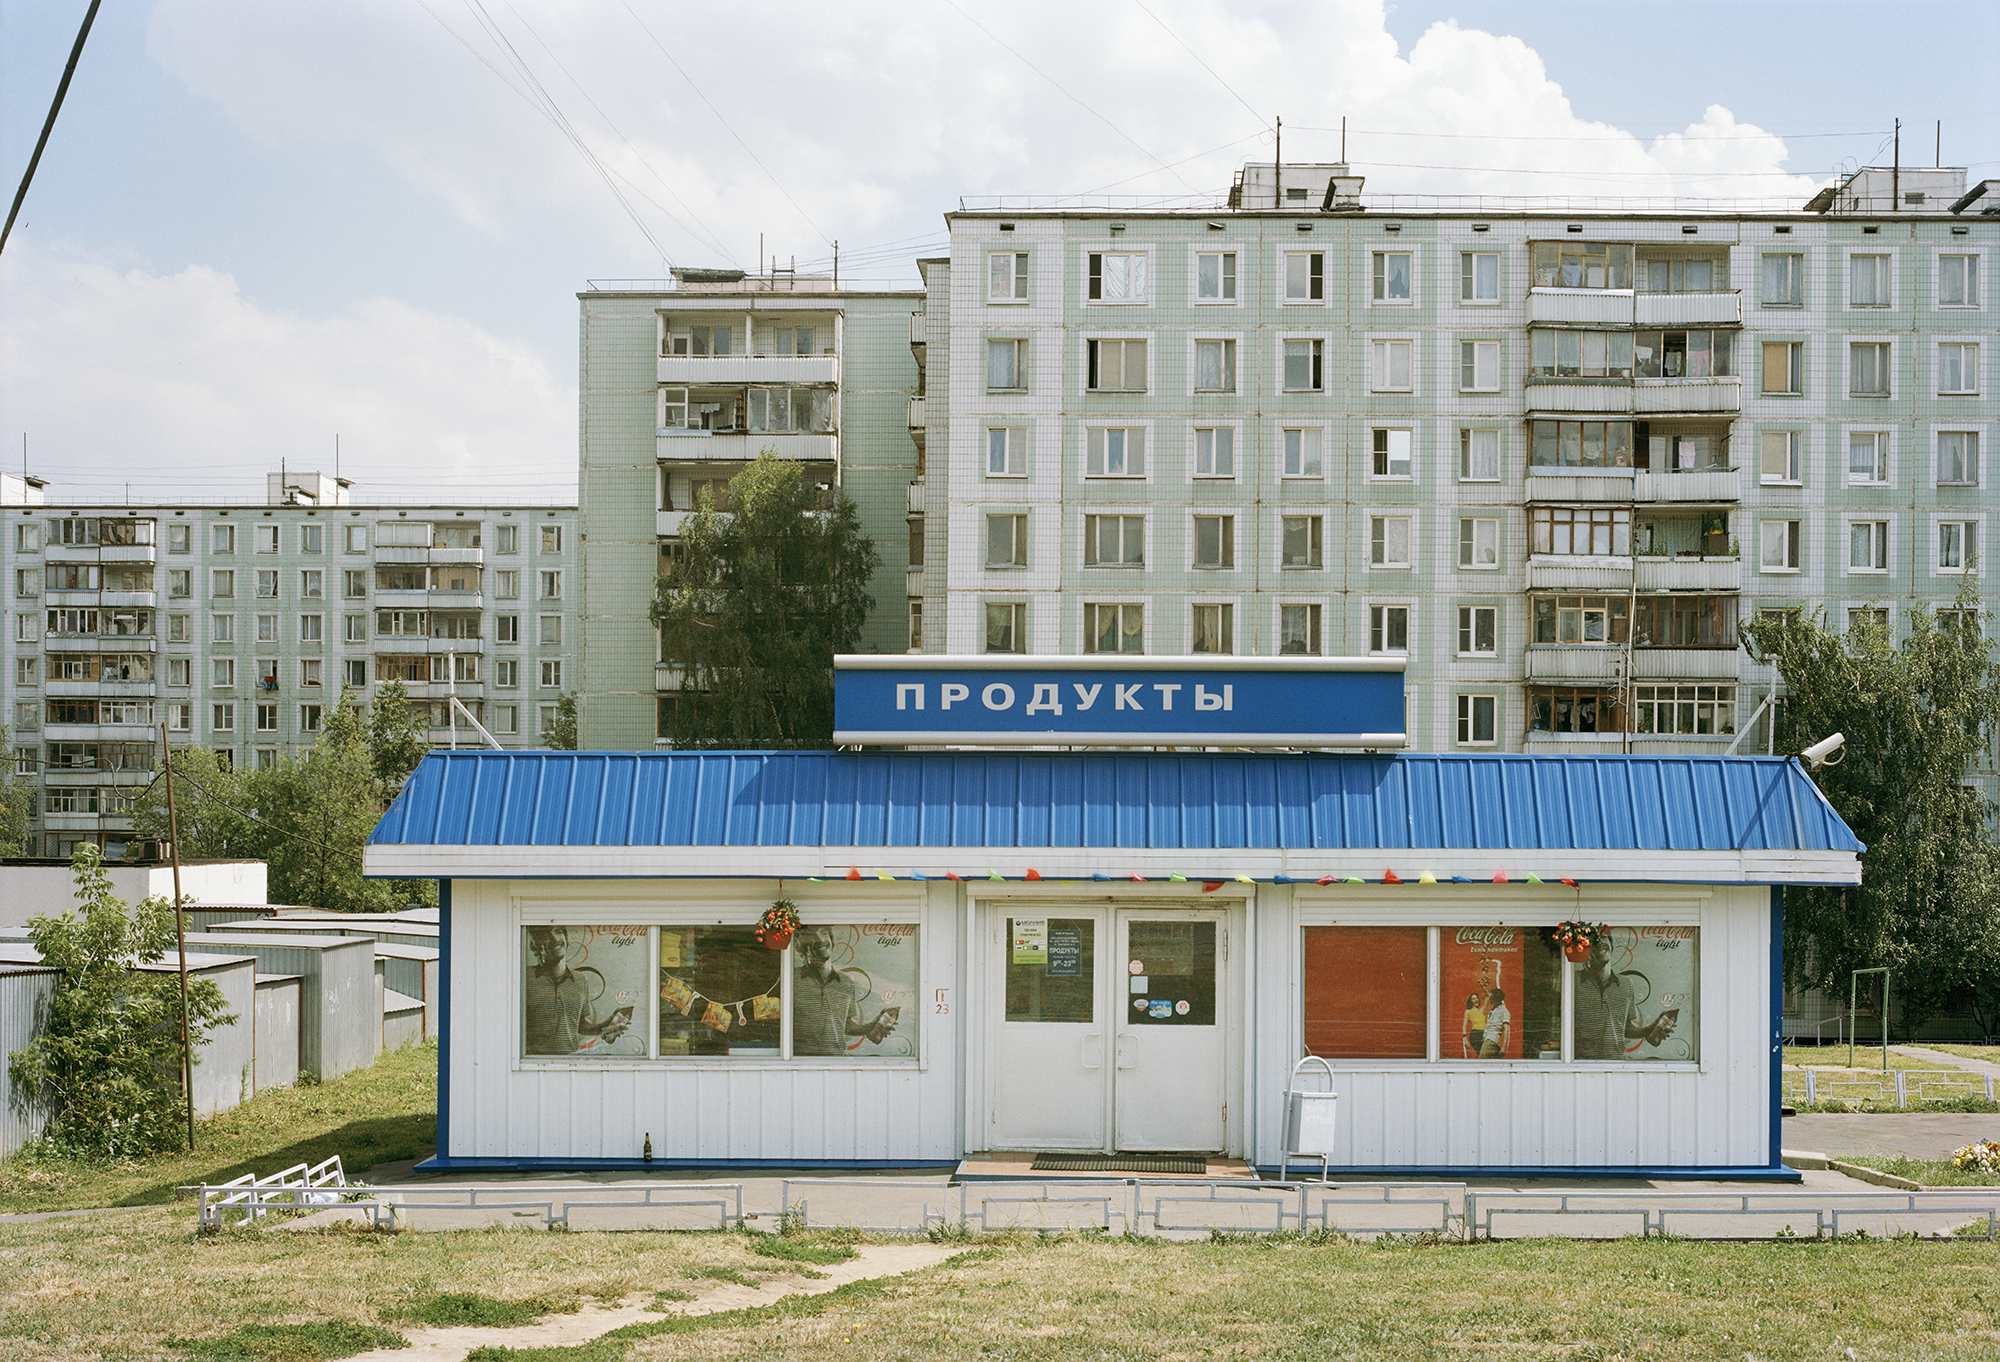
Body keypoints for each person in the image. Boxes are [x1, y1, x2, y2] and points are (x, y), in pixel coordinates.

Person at [523, 926, 631, 1055]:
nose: (555, 938)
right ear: (536, 944)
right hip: (535, 1061)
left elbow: (579, 1026)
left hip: (571, 1058)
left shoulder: (580, 980)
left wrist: (603, 1026)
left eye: (558, 931)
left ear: (566, 939)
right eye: (546, 935)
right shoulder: (525, 977)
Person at [792, 926, 898, 1056]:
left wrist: (872, 1025)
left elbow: (846, 1026)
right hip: (801, 1061)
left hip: (837, 1059)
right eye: (812, 936)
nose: (821, 939)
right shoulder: (791, 979)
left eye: (824, 933)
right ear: (802, 947)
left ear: (832, 941)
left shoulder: (846, 981)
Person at [1574, 933, 1676, 1060]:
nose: (1599, 942)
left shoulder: (1626, 984)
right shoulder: (1573, 982)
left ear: (1612, 944)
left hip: (1616, 1063)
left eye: (1604, 936)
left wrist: (1649, 1030)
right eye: (1592, 938)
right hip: (1581, 1064)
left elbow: (1625, 1028)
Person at [1478, 988, 1511, 1058]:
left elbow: (1506, 1029)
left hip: (1491, 1039)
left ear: (1496, 999)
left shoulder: (1504, 1011)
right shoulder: (1493, 1010)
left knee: (1482, 1060)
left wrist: (1504, 1047)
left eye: (1491, 998)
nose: (1490, 999)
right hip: (1486, 1038)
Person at [1460, 992, 1485, 1059]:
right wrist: (1465, 1039)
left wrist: (1484, 988)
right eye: (1473, 999)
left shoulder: (1481, 1010)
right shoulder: (1468, 1011)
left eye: (1477, 998)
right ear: (1471, 1002)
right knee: (1483, 1054)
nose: (1476, 1000)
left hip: (1483, 1034)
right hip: (1475, 1034)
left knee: (1485, 1054)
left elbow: (1488, 997)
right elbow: (1464, 1026)